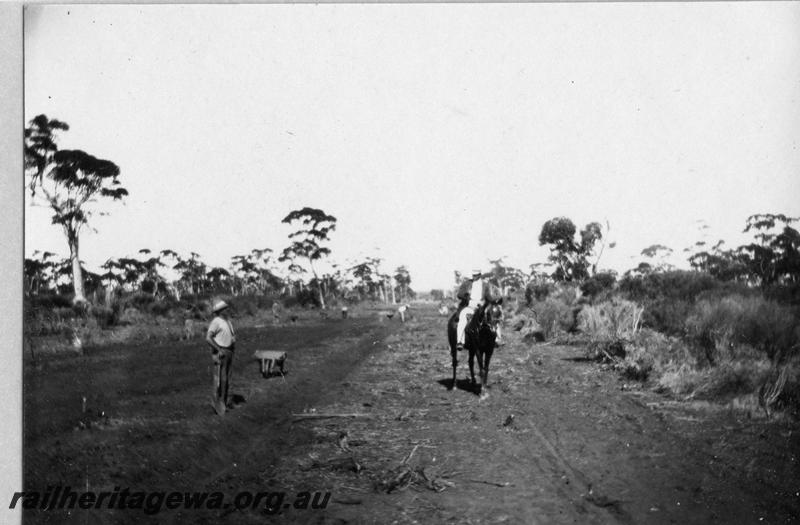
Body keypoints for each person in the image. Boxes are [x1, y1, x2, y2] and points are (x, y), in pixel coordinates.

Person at [455, 269, 504, 351]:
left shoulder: (486, 285)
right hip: (470, 307)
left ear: (480, 275)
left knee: (494, 319)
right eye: (473, 275)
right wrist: (466, 296)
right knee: (462, 318)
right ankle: (460, 341)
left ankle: (498, 339)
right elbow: (459, 294)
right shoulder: (467, 283)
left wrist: (496, 299)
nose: (473, 277)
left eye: (475, 275)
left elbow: (490, 296)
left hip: (483, 306)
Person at [206, 300, 236, 415]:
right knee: (221, 379)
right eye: (224, 309)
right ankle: (218, 404)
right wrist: (218, 350)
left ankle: (224, 402)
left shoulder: (227, 321)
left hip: (229, 352)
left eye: (226, 308)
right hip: (222, 352)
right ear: (219, 311)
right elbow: (208, 338)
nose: (227, 310)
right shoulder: (216, 322)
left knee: (227, 379)